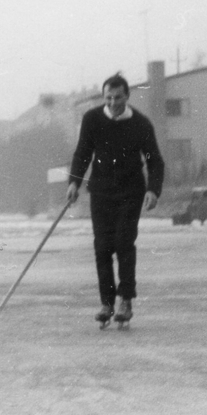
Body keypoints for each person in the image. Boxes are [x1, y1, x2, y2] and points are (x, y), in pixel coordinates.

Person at [66, 72, 165, 330]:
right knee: (102, 247)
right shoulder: (92, 119)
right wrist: (74, 183)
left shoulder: (141, 124)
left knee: (123, 243)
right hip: (101, 192)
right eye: (108, 97)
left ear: (127, 96)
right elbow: (82, 153)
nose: (113, 103)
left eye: (118, 97)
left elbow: (155, 160)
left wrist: (153, 190)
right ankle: (107, 303)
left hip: (131, 192)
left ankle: (126, 301)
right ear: (103, 97)